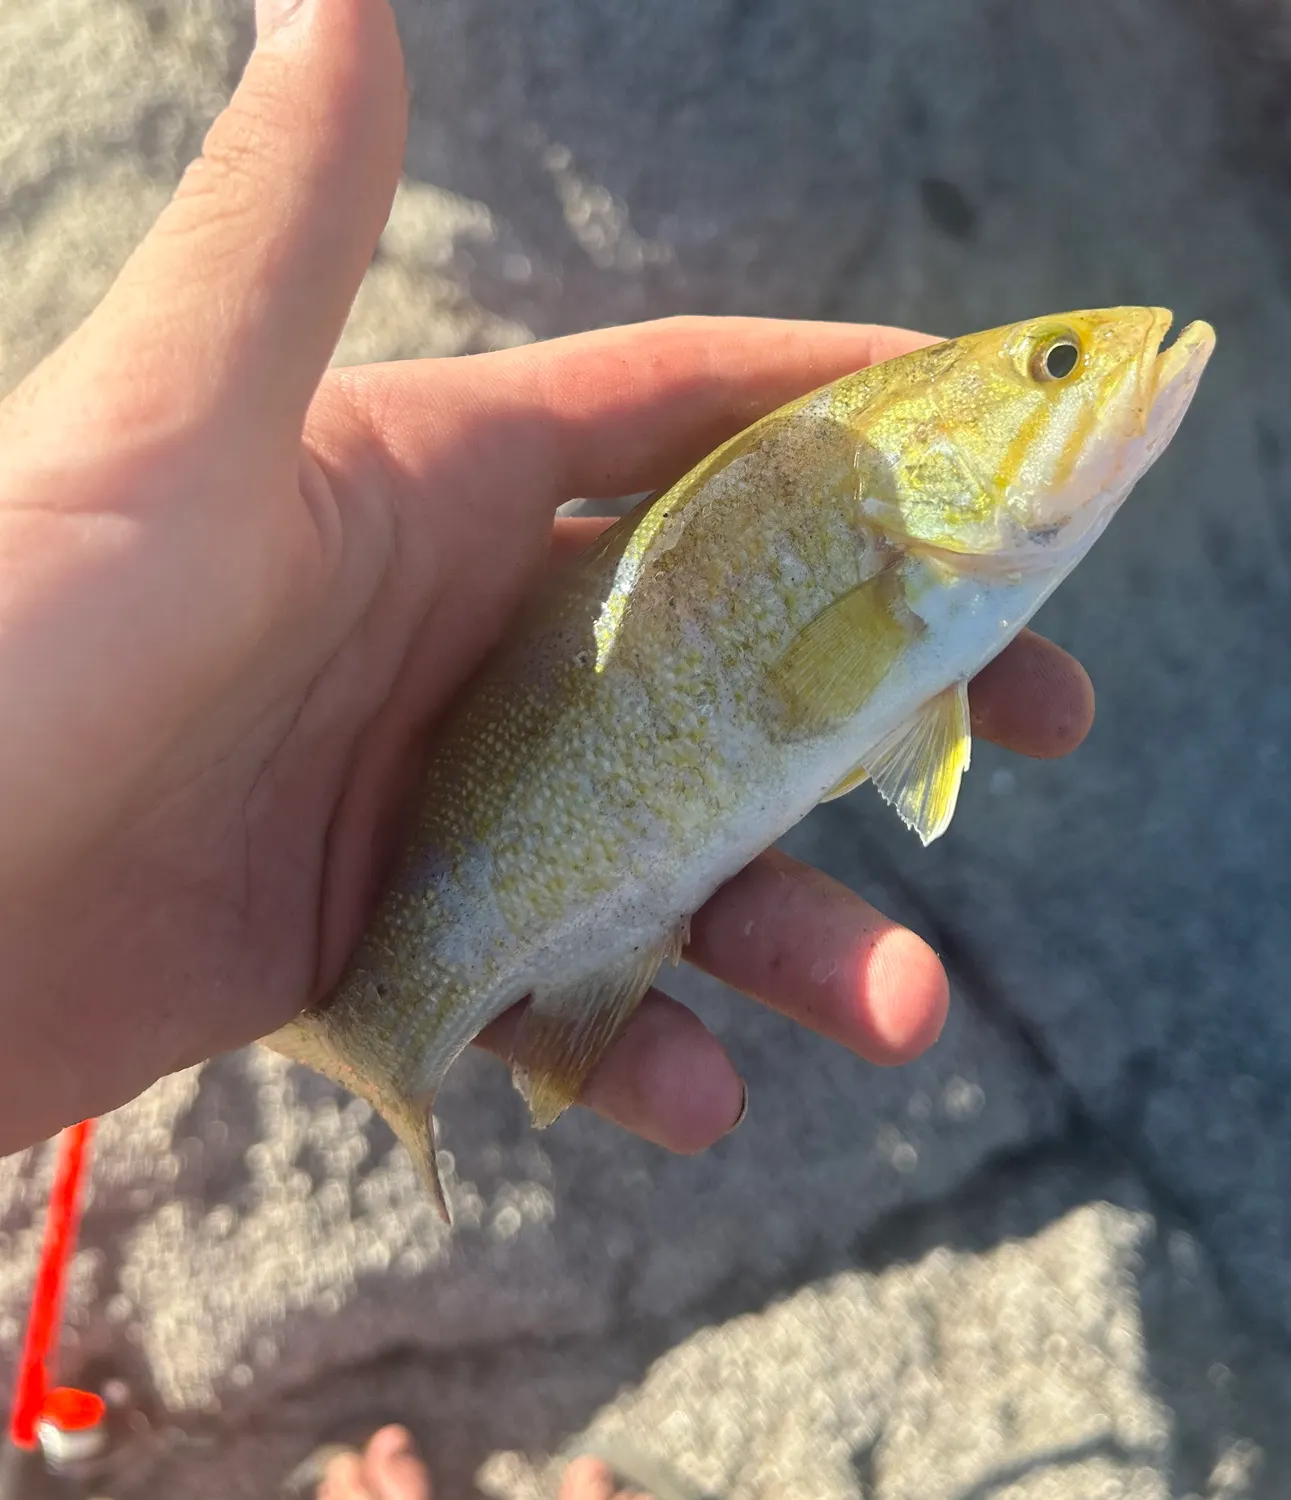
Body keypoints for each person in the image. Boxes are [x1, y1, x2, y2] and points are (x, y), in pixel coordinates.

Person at [0, 0, 1095, 1494]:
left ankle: (399, 1031)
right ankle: (391, 1029)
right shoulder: (911, 541)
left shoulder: (936, 554)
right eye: (1053, 371)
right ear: (943, 447)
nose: (1100, 375)